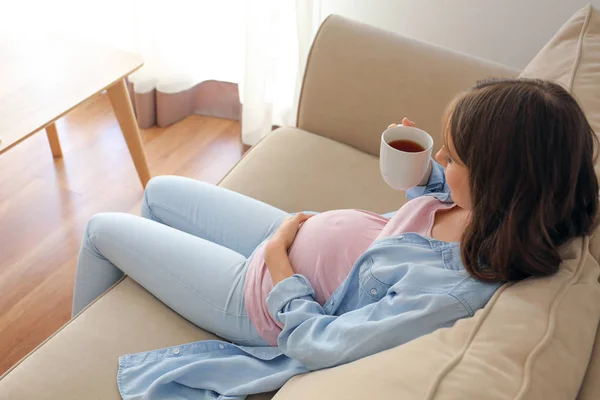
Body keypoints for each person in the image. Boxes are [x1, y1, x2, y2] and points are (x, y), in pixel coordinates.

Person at [73, 78, 599, 399]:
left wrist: (282, 265)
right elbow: (445, 192)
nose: (441, 158)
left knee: (99, 232)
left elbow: (324, 344)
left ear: (500, 180)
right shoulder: (496, 211)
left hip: (261, 296)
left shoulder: (449, 290)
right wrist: (422, 173)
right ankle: (118, 312)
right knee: (161, 190)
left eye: (453, 156)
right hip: (288, 232)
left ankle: (79, 348)